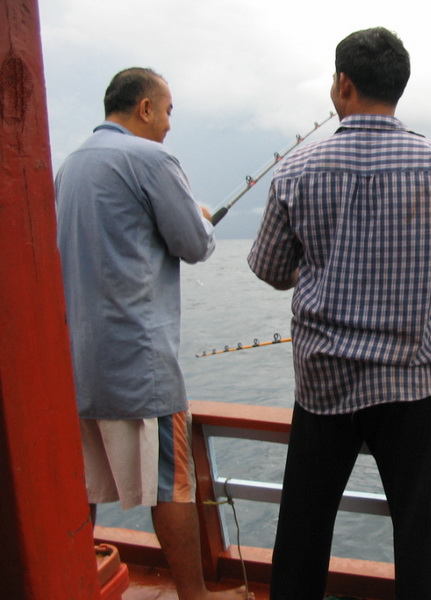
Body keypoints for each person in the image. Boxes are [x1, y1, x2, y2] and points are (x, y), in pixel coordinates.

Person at [248, 27, 431, 600]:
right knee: (420, 537)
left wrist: (315, 272)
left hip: (322, 382)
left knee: (303, 532)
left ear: (343, 84)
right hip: (411, 381)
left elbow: (268, 267)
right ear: (399, 87)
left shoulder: (296, 169)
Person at [56, 67, 252, 600]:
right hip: (139, 365)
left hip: (76, 364)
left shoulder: (69, 165)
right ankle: (194, 597)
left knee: (82, 488)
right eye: (167, 112)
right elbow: (194, 243)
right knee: (172, 485)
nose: (169, 126)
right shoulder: (152, 159)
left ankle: (72, 584)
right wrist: (204, 219)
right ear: (143, 108)